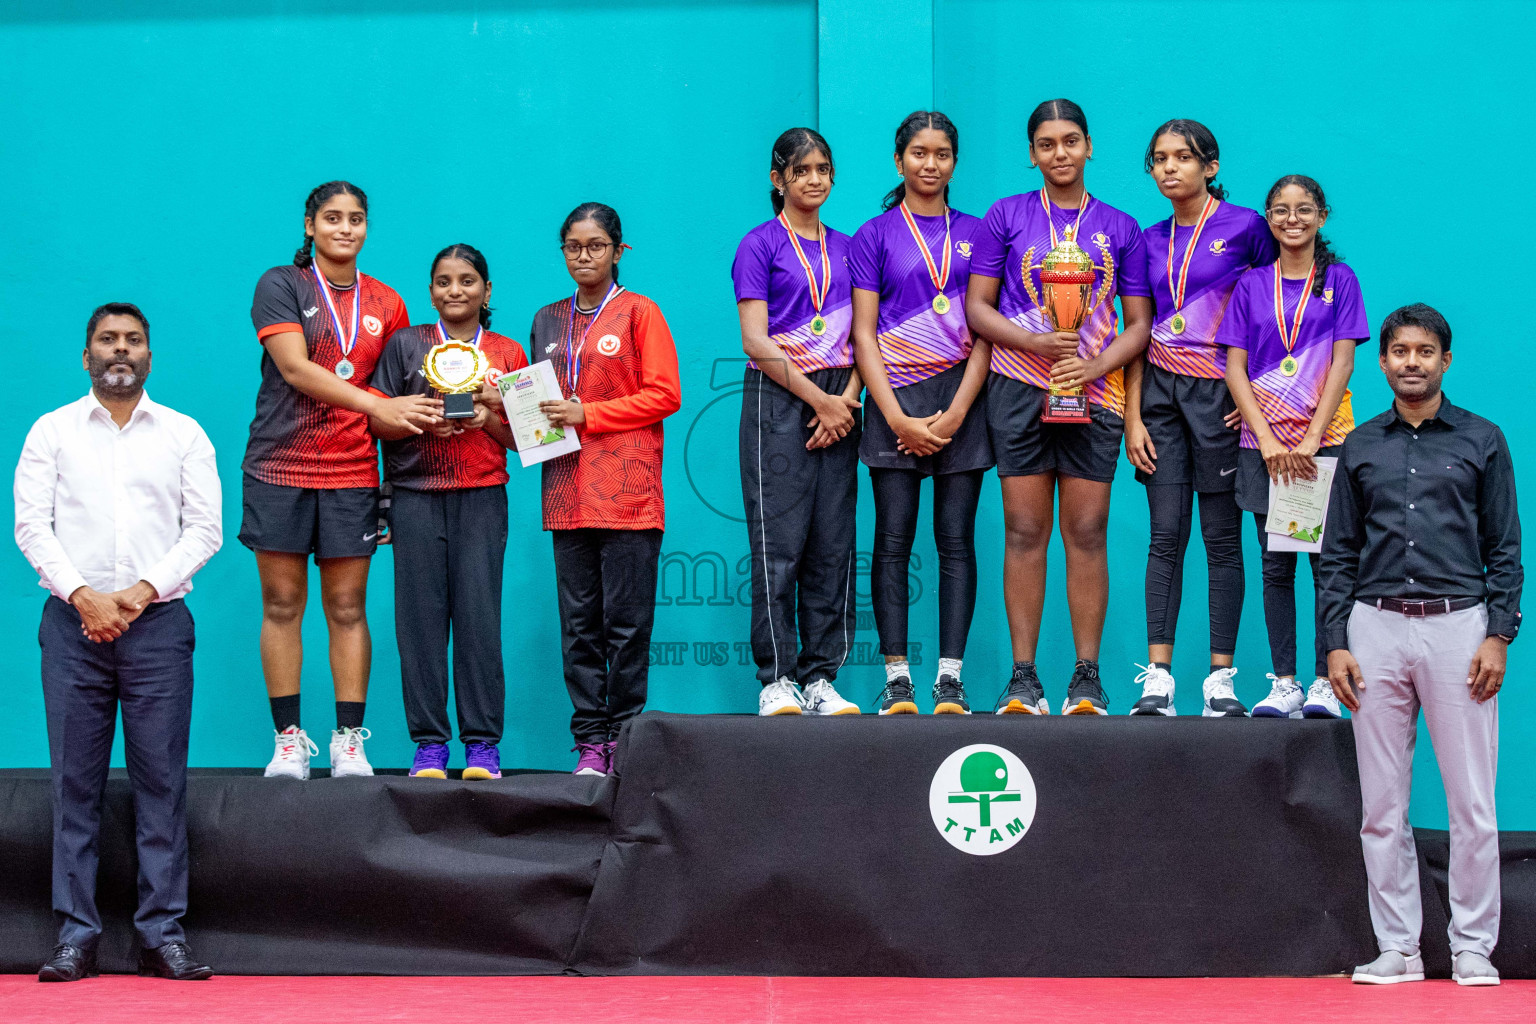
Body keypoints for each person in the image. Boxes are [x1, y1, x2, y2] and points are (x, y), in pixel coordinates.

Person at [15, 303, 222, 981]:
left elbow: (204, 531)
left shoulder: (184, 434)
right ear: (87, 356)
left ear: (150, 358)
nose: (120, 349)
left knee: (161, 784)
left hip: (157, 626)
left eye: (133, 340)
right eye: (108, 340)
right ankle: (76, 936)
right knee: (75, 787)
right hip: (72, 627)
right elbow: (31, 527)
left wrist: (135, 594)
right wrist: (84, 596)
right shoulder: (51, 431)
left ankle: (162, 934)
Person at [1322, 304, 1520, 987]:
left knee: (1471, 803)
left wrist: (1498, 635)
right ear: (1382, 362)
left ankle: (1472, 947)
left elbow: (1506, 547)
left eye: (1425, 351)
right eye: (1400, 351)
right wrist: (1335, 643)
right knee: (1382, 806)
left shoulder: (1482, 440)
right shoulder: (1361, 445)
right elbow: (1337, 551)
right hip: (1372, 628)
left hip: (1458, 627)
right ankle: (1399, 949)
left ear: (1446, 361)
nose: (1412, 361)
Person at [964, 98, 1152, 715]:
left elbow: (1138, 325)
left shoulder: (1120, 227)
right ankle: (1024, 677)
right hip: (1018, 387)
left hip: (1094, 392)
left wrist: (1094, 366)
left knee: (1087, 530)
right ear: (1032, 153)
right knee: (1023, 531)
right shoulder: (1005, 217)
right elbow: (978, 309)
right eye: (1046, 144)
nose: (1060, 153)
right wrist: (1035, 342)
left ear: (1090, 145)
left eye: (1071, 141)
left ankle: (1087, 677)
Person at [242, 181, 435, 780]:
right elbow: (296, 369)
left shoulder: (388, 302)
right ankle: (288, 741)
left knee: (348, 608)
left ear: (366, 228)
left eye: (355, 219)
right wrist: (376, 406)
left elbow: (394, 393)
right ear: (310, 225)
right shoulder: (282, 284)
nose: (344, 228)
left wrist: (432, 412)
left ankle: (349, 740)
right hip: (279, 466)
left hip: (352, 471)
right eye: (332, 218)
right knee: (281, 604)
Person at [1125, 119, 1277, 717]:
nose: (1169, 168)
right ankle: (1157, 678)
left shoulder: (1248, 229)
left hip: (1221, 398)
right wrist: (1132, 415)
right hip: (1160, 397)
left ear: (1210, 167)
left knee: (1221, 541)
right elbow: (1135, 333)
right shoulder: (1145, 238)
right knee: (1165, 537)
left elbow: (1275, 309)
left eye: (1182, 158)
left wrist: (1258, 397)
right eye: (1159, 159)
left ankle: (1220, 680)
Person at [849, 111, 992, 715]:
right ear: (898, 160)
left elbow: (987, 329)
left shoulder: (981, 232)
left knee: (956, 542)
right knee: (892, 542)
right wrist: (897, 418)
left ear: (955, 162)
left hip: (963, 398)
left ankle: (951, 679)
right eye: (918, 153)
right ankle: (900, 677)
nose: (929, 164)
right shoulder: (874, 235)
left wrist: (958, 412)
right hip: (892, 404)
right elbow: (862, 332)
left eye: (941, 154)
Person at [368, 244, 527, 780]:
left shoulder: (508, 354)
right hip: (415, 496)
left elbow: (532, 438)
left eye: (466, 281)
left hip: (482, 496)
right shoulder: (405, 346)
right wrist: (415, 419)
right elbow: (376, 423)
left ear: (487, 290)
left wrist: (487, 416)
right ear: (430, 290)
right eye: (442, 281)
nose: (454, 291)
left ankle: (482, 745)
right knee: (419, 624)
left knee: (480, 621)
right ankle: (429, 746)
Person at [533, 203, 681, 776]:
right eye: (574, 246)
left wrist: (585, 412)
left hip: (628, 495)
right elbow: (537, 397)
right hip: (566, 494)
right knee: (579, 628)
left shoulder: (640, 312)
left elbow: (664, 394)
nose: (584, 256)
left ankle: (625, 738)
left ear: (619, 251)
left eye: (596, 245)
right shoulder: (547, 319)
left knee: (626, 625)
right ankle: (590, 742)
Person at [1218, 174, 1368, 719]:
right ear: (1269, 218)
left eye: (1304, 209)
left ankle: (1327, 680)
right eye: (1280, 210)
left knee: (1327, 564)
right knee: (1276, 565)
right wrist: (1265, 439)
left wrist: (1307, 440)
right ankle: (1285, 683)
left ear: (1321, 216)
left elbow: (1344, 362)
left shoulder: (1341, 280)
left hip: (1322, 443)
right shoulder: (1253, 284)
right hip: (1263, 447)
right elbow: (1234, 366)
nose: (1292, 219)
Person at [733, 128, 865, 717]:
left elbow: (870, 335)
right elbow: (755, 341)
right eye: (802, 170)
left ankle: (821, 677)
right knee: (778, 545)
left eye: (823, 169)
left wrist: (848, 400)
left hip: (844, 395)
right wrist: (821, 401)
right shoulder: (759, 245)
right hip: (781, 396)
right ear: (777, 178)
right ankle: (777, 680)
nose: (814, 179)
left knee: (832, 545)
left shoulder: (851, 247)